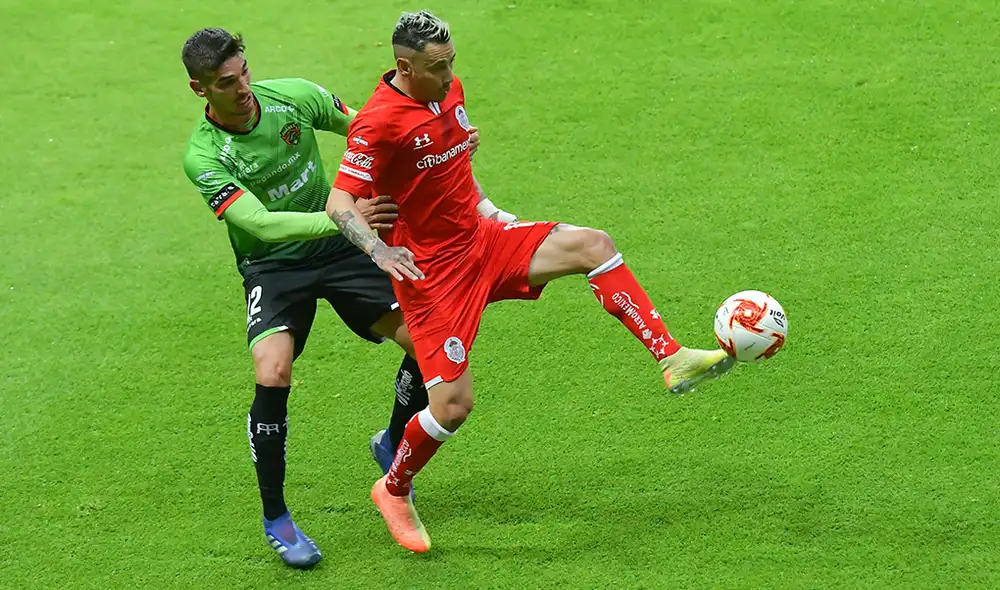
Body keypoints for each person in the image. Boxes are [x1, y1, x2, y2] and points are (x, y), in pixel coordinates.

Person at [323, 11, 738, 553]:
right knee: (452, 408)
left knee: (594, 244)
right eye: (437, 68)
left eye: (452, 64)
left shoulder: (448, 91)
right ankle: (394, 488)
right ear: (405, 65)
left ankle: (670, 355)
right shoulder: (377, 122)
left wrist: (492, 210)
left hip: (482, 241)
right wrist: (380, 249)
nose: (450, 78)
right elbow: (340, 202)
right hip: (433, 276)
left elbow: (455, 170)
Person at [179, 27, 480, 567]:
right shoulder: (203, 156)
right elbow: (263, 225)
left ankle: (391, 441)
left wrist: (441, 144)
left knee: (424, 343)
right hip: (275, 266)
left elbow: (373, 129)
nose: (243, 86)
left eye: (244, 71)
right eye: (226, 82)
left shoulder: (292, 96)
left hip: (340, 247)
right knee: (272, 372)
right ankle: (277, 516)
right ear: (200, 89)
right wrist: (345, 219)